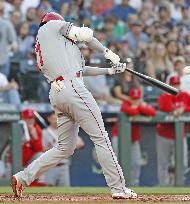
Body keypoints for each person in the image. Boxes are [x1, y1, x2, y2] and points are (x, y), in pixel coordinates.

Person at [11, 12, 137, 199]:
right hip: (72, 88)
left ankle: (23, 177)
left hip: (58, 92)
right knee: (101, 138)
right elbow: (85, 35)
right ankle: (118, 188)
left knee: (64, 147)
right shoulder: (51, 26)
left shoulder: (51, 46)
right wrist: (107, 52)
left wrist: (110, 70)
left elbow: (82, 70)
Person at [156, 75, 190, 186]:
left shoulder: (184, 95)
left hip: (180, 136)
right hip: (164, 135)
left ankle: (177, 185)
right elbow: (163, 107)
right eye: (173, 85)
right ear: (169, 85)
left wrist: (184, 109)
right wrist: (174, 110)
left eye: (177, 84)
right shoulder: (164, 97)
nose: (176, 86)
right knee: (163, 164)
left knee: (183, 164)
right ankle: (163, 189)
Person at [112, 88, 156, 186]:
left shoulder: (140, 104)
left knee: (136, 163)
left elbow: (153, 112)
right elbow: (131, 112)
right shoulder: (125, 104)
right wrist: (140, 108)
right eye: (133, 98)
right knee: (118, 163)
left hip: (133, 139)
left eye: (137, 98)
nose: (135, 100)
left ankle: (134, 185)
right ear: (130, 98)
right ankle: (117, 186)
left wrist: (138, 106)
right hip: (120, 138)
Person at [42, 111, 85, 186]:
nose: (57, 119)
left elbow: (82, 144)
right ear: (49, 119)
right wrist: (54, 148)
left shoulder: (66, 131)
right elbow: (41, 149)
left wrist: (70, 146)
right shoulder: (44, 132)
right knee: (47, 192)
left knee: (65, 192)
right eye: (54, 117)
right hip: (49, 166)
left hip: (63, 166)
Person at [0, 2, 17, 77]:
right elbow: (13, 44)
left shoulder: (7, 24)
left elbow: (13, 43)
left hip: (3, 60)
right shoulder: (7, 24)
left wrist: (10, 48)